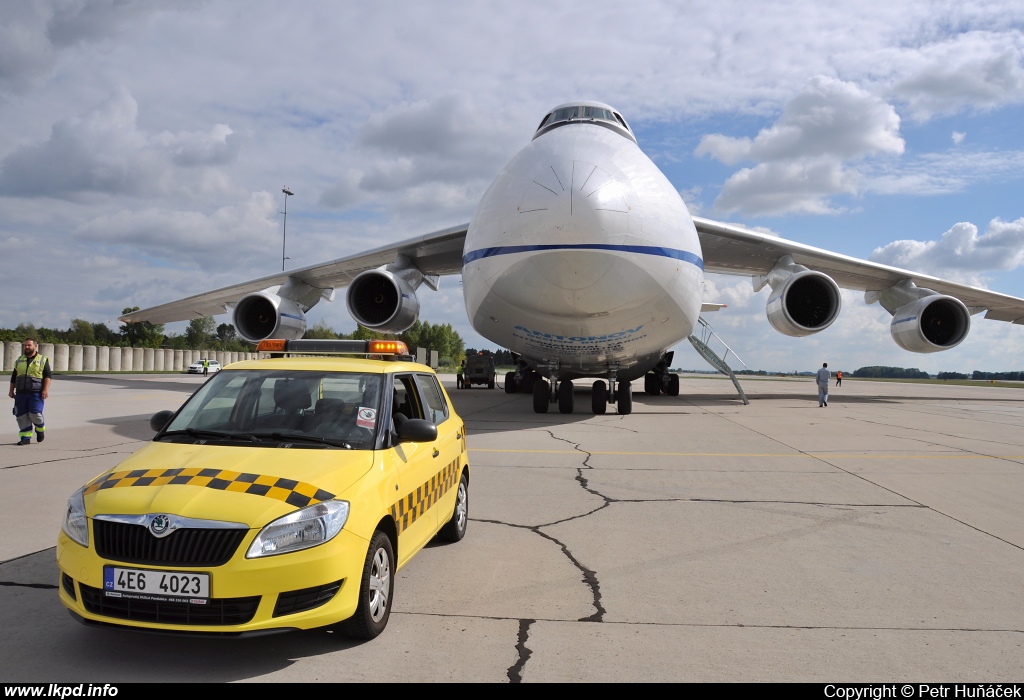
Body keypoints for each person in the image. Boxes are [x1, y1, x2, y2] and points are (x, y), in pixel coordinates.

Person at [9, 338, 51, 445]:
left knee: (35, 413)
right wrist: (11, 390)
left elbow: (47, 376)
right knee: (21, 416)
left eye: (29, 345)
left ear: (35, 346)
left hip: (36, 393)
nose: (27, 347)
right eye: (25, 345)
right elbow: (14, 377)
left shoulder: (42, 359)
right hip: (21, 393)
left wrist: (45, 390)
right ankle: (25, 438)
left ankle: (40, 429)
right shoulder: (19, 360)